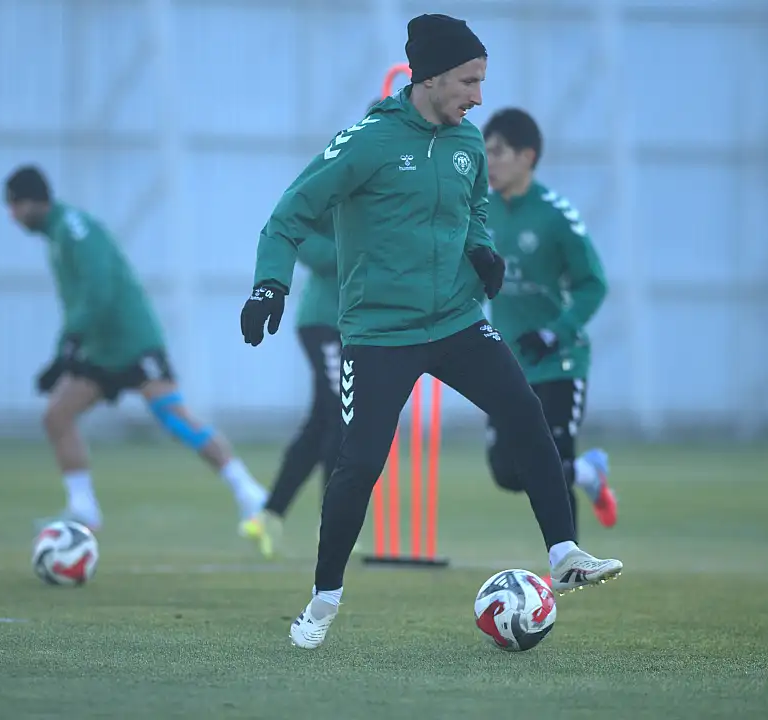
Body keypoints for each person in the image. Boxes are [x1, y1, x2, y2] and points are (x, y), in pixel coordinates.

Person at [240, 14, 623, 650]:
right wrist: (268, 286)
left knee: (526, 413)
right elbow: (288, 215)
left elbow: (474, 207)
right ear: (431, 77)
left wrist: (481, 249)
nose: (479, 96)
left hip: (456, 321)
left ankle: (564, 554)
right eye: (469, 81)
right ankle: (323, 600)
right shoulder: (366, 142)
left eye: (482, 81)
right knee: (360, 462)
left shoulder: (468, 142)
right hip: (379, 334)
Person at [3, 165, 268, 533]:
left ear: (33, 201)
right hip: (98, 348)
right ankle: (83, 510)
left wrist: (70, 345)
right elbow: (78, 302)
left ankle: (250, 493)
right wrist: (64, 351)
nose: (12, 215)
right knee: (57, 415)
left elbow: (98, 290)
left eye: (14, 205)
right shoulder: (57, 236)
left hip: (131, 340)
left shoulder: (74, 230)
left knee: (173, 417)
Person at [480, 107, 618, 537]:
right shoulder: (480, 211)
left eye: (498, 152)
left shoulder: (557, 216)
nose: (489, 162)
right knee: (506, 470)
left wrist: (554, 333)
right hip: (508, 364)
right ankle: (589, 473)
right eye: (485, 152)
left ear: (527, 156)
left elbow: (593, 284)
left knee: (551, 465)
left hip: (559, 362)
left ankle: (569, 560)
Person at [239, 226, 342, 559]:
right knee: (341, 417)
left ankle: (269, 516)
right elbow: (306, 242)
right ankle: (334, 524)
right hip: (325, 321)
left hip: (354, 325)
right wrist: (361, 248)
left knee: (321, 424)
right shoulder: (333, 201)